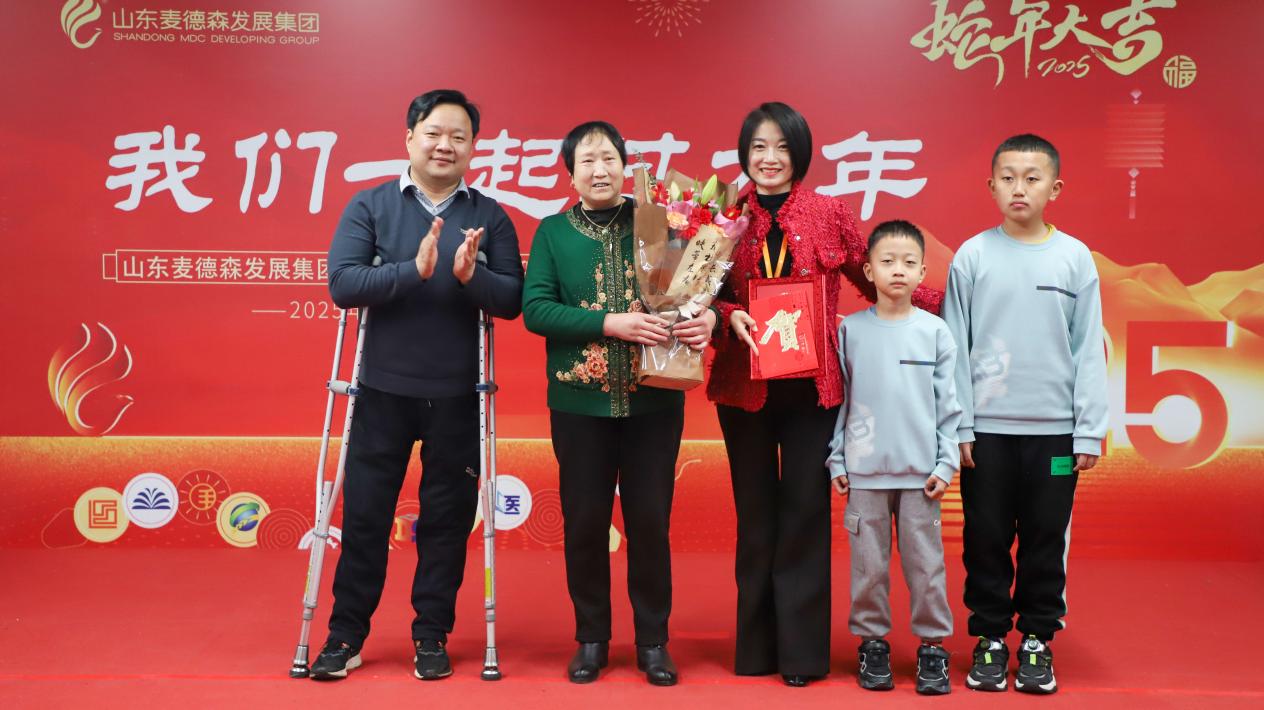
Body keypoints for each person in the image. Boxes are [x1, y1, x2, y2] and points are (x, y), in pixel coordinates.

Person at [708, 102, 942, 687]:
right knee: (754, 517)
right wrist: (729, 313)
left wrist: (951, 303)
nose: (770, 159)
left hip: (813, 392)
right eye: (759, 147)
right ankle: (756, 649)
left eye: (782, 148)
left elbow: (870, 273)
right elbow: (694, 293)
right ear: (744, 153)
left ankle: (802, 655)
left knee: (805, 516)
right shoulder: (720, 216)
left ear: (801, 155)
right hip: (743, 386)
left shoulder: (828, 212)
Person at [311, 89, 524, 681]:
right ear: (410, 138)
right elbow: (343, 283)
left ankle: (431, 634)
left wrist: (471, 276)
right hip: (381, 392)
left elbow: (512, 299)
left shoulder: (489, 215)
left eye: (458, 136)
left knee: (446, 521)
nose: (444, 145)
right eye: (433, 133)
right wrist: (414, 272)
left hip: (458, 395)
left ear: (474, 147)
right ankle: (345, 633)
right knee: (365, 517)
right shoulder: (372, 206)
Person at [522, 121, 714, 686]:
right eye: (587, 161)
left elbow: (698, 289)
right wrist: (610, 323)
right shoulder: (553, 233)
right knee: (585, 523)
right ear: (571, 174)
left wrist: (705, 317)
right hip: (579, 406)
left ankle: (653, 641)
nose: (599, 169)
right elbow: (536, 309)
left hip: (654, 402)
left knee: (650, 522)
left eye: (608, 158)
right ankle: (591, 638)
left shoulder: (662, 222)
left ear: (626, 167)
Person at [942, 133, 1107, 694]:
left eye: (1032, 178)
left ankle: (1037, 639)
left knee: (1045, 537)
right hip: (986, 433)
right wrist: (960, 425)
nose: (1020, 188)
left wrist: (1089, 430)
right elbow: (955, 347)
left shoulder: (1074, 258)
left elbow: (1088, 348)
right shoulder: (972, 256)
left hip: (1055, 436)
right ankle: (989, 638)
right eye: (1008, 178)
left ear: (1054, 189)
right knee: (985, 538)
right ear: (990, 186)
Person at [826, 220, 961, 695]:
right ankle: (873, 644)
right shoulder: (850, 331)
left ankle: (932, 647)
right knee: (869, 568)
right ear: (868, 271)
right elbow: (840, 401)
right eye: (887, 262)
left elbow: (950, 406)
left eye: (908, 263)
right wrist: (838, 460)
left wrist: (946, 463)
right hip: (864, 475)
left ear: (923, 271)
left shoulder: (936, 332)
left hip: (922, 476)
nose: (898, 271)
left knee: (927, 567)